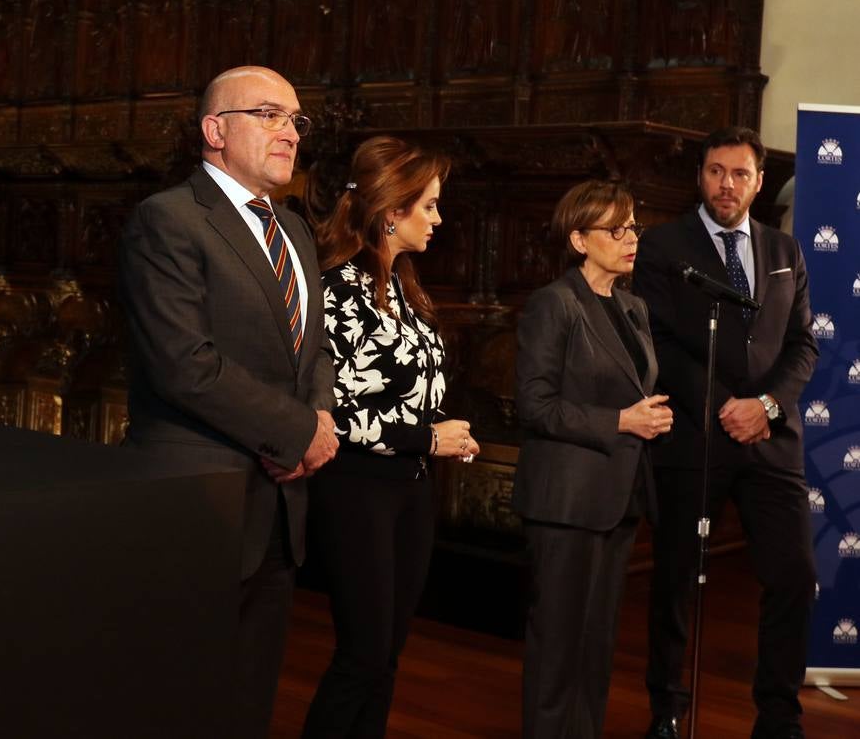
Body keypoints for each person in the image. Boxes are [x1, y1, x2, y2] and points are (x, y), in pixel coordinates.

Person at [117, 65, 339, 739]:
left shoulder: (295, 228)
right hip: (201, 494)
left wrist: (318, 419)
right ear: (215, 130)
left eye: (297, 120)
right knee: (181, 698)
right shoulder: (170, 219)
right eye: (269, 115)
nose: (289, 133)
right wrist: (296, 433)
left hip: (278, 501)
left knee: (250, 695)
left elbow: (314, 348)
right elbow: (184, 364)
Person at [635, 127, 818, 739]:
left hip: (771, 438)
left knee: (794, 574)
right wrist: (724, 406)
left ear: (759, 182)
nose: (727, 184)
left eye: (740, 173)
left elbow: (802, 345)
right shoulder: (662, 245)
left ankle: (778, 717)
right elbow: (656, 341)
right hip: (695, 437)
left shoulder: (786, 250)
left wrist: (764, 405)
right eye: (716, 171)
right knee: (677, 582)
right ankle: (666, 710)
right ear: (701, 176)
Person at [300, 136, 479, 739]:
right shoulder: (338, 289)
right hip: (357, 490)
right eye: (428, 205)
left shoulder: (403, 285)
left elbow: (411, 389)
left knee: (387, 657)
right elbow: (335, 413)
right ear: (390, 210)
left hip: (411, 490)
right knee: (362, 656)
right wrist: (428, 438)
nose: (438, 217)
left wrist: (443, 437)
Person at [513, 179, 672, 739]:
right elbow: (534, 406)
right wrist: (622, 421)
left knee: (596, 645)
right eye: (616, 230)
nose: (631, 239)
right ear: (579, 239)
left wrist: (649, 416)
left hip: (618, 495)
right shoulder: (553, 304)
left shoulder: (633, 307)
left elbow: (630, 388)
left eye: (634, 228)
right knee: (558, 644)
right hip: (566, 499)